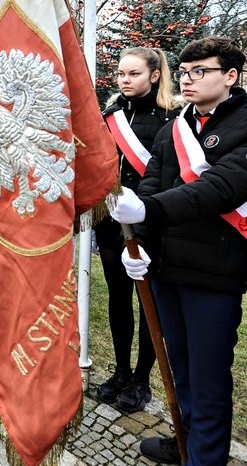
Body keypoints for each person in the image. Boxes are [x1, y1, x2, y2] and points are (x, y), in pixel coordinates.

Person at [110, 36, 247, 465]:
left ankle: (204, 458)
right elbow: (153, 179)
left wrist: (147, 208)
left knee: (207, 378)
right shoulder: (176, 126)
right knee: (181, 369)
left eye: (200, 71)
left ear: (230, 76)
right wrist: (142, 247)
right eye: (185, 71)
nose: (188, 79)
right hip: (167, 268)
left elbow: (218, 189)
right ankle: (187, 441)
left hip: (214, 271)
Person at [94, 47, 180, 413]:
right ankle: (122, 371)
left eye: (133, 74)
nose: (125, 81)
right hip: (112, 218)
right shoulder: (111, 114)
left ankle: (142, 379)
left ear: (155, 75)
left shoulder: (173, 116)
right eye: (121, 75)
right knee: (118, 297)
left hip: (153, 220)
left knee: (148, 302)